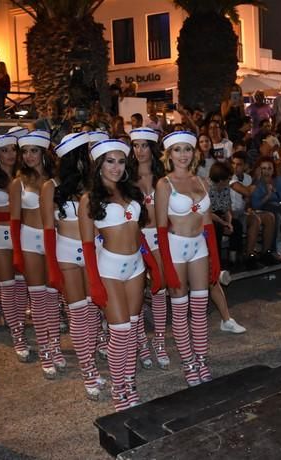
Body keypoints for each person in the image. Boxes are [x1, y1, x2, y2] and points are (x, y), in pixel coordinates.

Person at [80, 139, 160, 410]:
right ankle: (118, 389)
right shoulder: (89, 199)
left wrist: (154, 265)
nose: (116, 167)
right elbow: (88, 246)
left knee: (134, 325)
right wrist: (94, 283)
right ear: (99, 164)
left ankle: (129, 381)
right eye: (110, 161)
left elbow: (139, 234)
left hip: (136, 267)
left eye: (121, 161)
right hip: (110, 269)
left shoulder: (132, 191)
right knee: (121, 331)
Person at [41, 132, 106, 400]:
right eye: (85, 153)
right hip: (67, 251)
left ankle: (90, 361)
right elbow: (47, 229)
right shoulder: (51, 187)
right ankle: (88, 370)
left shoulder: (95, 185)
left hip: (96, 251)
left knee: (93, 311)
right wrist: (52, 269)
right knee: (78, 312)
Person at [155, 131, 220, 386]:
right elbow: (161, 227)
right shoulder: (164, 184)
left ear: (195, 152)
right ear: (169, 154)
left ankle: (201, 358)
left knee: (200, 308)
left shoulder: (202, 181)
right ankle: (188, 362)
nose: (183, 155)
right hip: (175, 247)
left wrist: (215, 259)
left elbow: (207, 224)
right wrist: (166, 268)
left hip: (199, 247)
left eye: (187, 149)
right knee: (180, 310)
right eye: (177, 150)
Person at [10, 131, 64, 379]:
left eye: (34, 150)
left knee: (54, 297)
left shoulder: (58, 180)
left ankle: (55, 347)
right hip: (30, 239)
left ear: (44, 152)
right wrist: (18, 254)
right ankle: (45, 351)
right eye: (25, 151)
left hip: (56, 240)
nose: (29, 156)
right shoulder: (18, 182)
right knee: (39, 299)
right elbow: (14, 221)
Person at [0, 134, 32, 362]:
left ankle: (19, 324)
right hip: (0, 235)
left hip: (24, 235)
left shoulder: (25, 177)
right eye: (5, 150)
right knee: (8, 286)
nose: (10, 154)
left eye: (13, 149)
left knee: (22, 286)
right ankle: (18, 334)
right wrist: (13, 213)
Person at [130, 128, 170, 369]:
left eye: (145, 146)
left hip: (159, 237)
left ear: (152, 149)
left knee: (159, 288)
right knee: (135, 293)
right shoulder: (126, 177)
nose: (140, 151)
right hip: (135, 237)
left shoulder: (163, 178)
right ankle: (141, 343)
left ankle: (160, 342)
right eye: (136, 146)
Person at [229, 151, 280, 268]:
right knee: (255, 220)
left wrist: (249, 206)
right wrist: (257, 179)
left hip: (242, 211)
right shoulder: (230, 177)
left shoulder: (247, 178)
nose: (235, 167)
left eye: (239, 164)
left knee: (270, 216)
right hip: (231, 213)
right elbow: (246, 191)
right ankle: (249, 256)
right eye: (233, 164)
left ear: (245, 166)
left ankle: (266, 252)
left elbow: (247, 197)